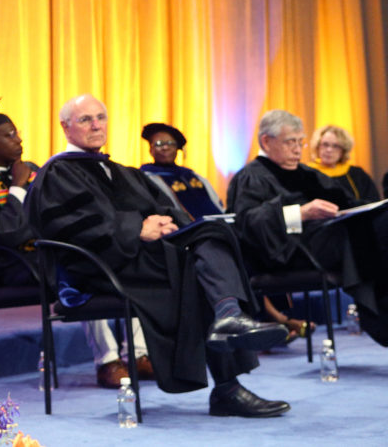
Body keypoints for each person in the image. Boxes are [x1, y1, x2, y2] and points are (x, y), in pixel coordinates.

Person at [26, 94, 290, 417]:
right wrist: (138, 228)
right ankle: (228, 382)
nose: (96, 125)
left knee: (211, 235)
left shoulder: (119, 170)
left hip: (141, 259)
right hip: (100, 267)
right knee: (200, 273)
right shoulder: (56, 174)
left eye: (101, 117)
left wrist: (168, 223)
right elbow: (71, 226)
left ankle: (228, 317)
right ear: (66, 128)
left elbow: (162, 207)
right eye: (85, 120)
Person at [0, 100, 152, 389]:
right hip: (14, 266)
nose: (19, 139)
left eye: (17, 132)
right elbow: (8, 233)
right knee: (80, 267)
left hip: (51, 252)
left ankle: (138, 354)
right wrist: (18, 189)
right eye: (10, 135)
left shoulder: (41, 171)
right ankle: (108, 360)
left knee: (117, 255)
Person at [227, 109, 388, 346]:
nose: (296, 149)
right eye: (289, 142)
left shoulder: (309, 174)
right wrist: (300, 213)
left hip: (327, 240)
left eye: (300, 142)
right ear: (266, 141)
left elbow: (348, 203)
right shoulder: (251, 177)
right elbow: (248, 223)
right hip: (290, 252)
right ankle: (379, 314)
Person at [140, 122, 311, 343]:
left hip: (217, 231)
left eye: (169, 143)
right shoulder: (145, 177)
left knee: (250, 251)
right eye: (158, 143)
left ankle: (261, 321)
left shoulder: (193, 176)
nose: (163, 148)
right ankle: (271, 319)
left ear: (178, 148)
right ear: (150, 148)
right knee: (228, 255)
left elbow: (217, 205)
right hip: (188, 240)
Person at [309, 125, 380, 204]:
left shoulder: (357, 174)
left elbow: (373, 203)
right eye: (325, 144)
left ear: (343, 150)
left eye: (335, 146)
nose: (329, 150)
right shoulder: (307, 173)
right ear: (317, 146)